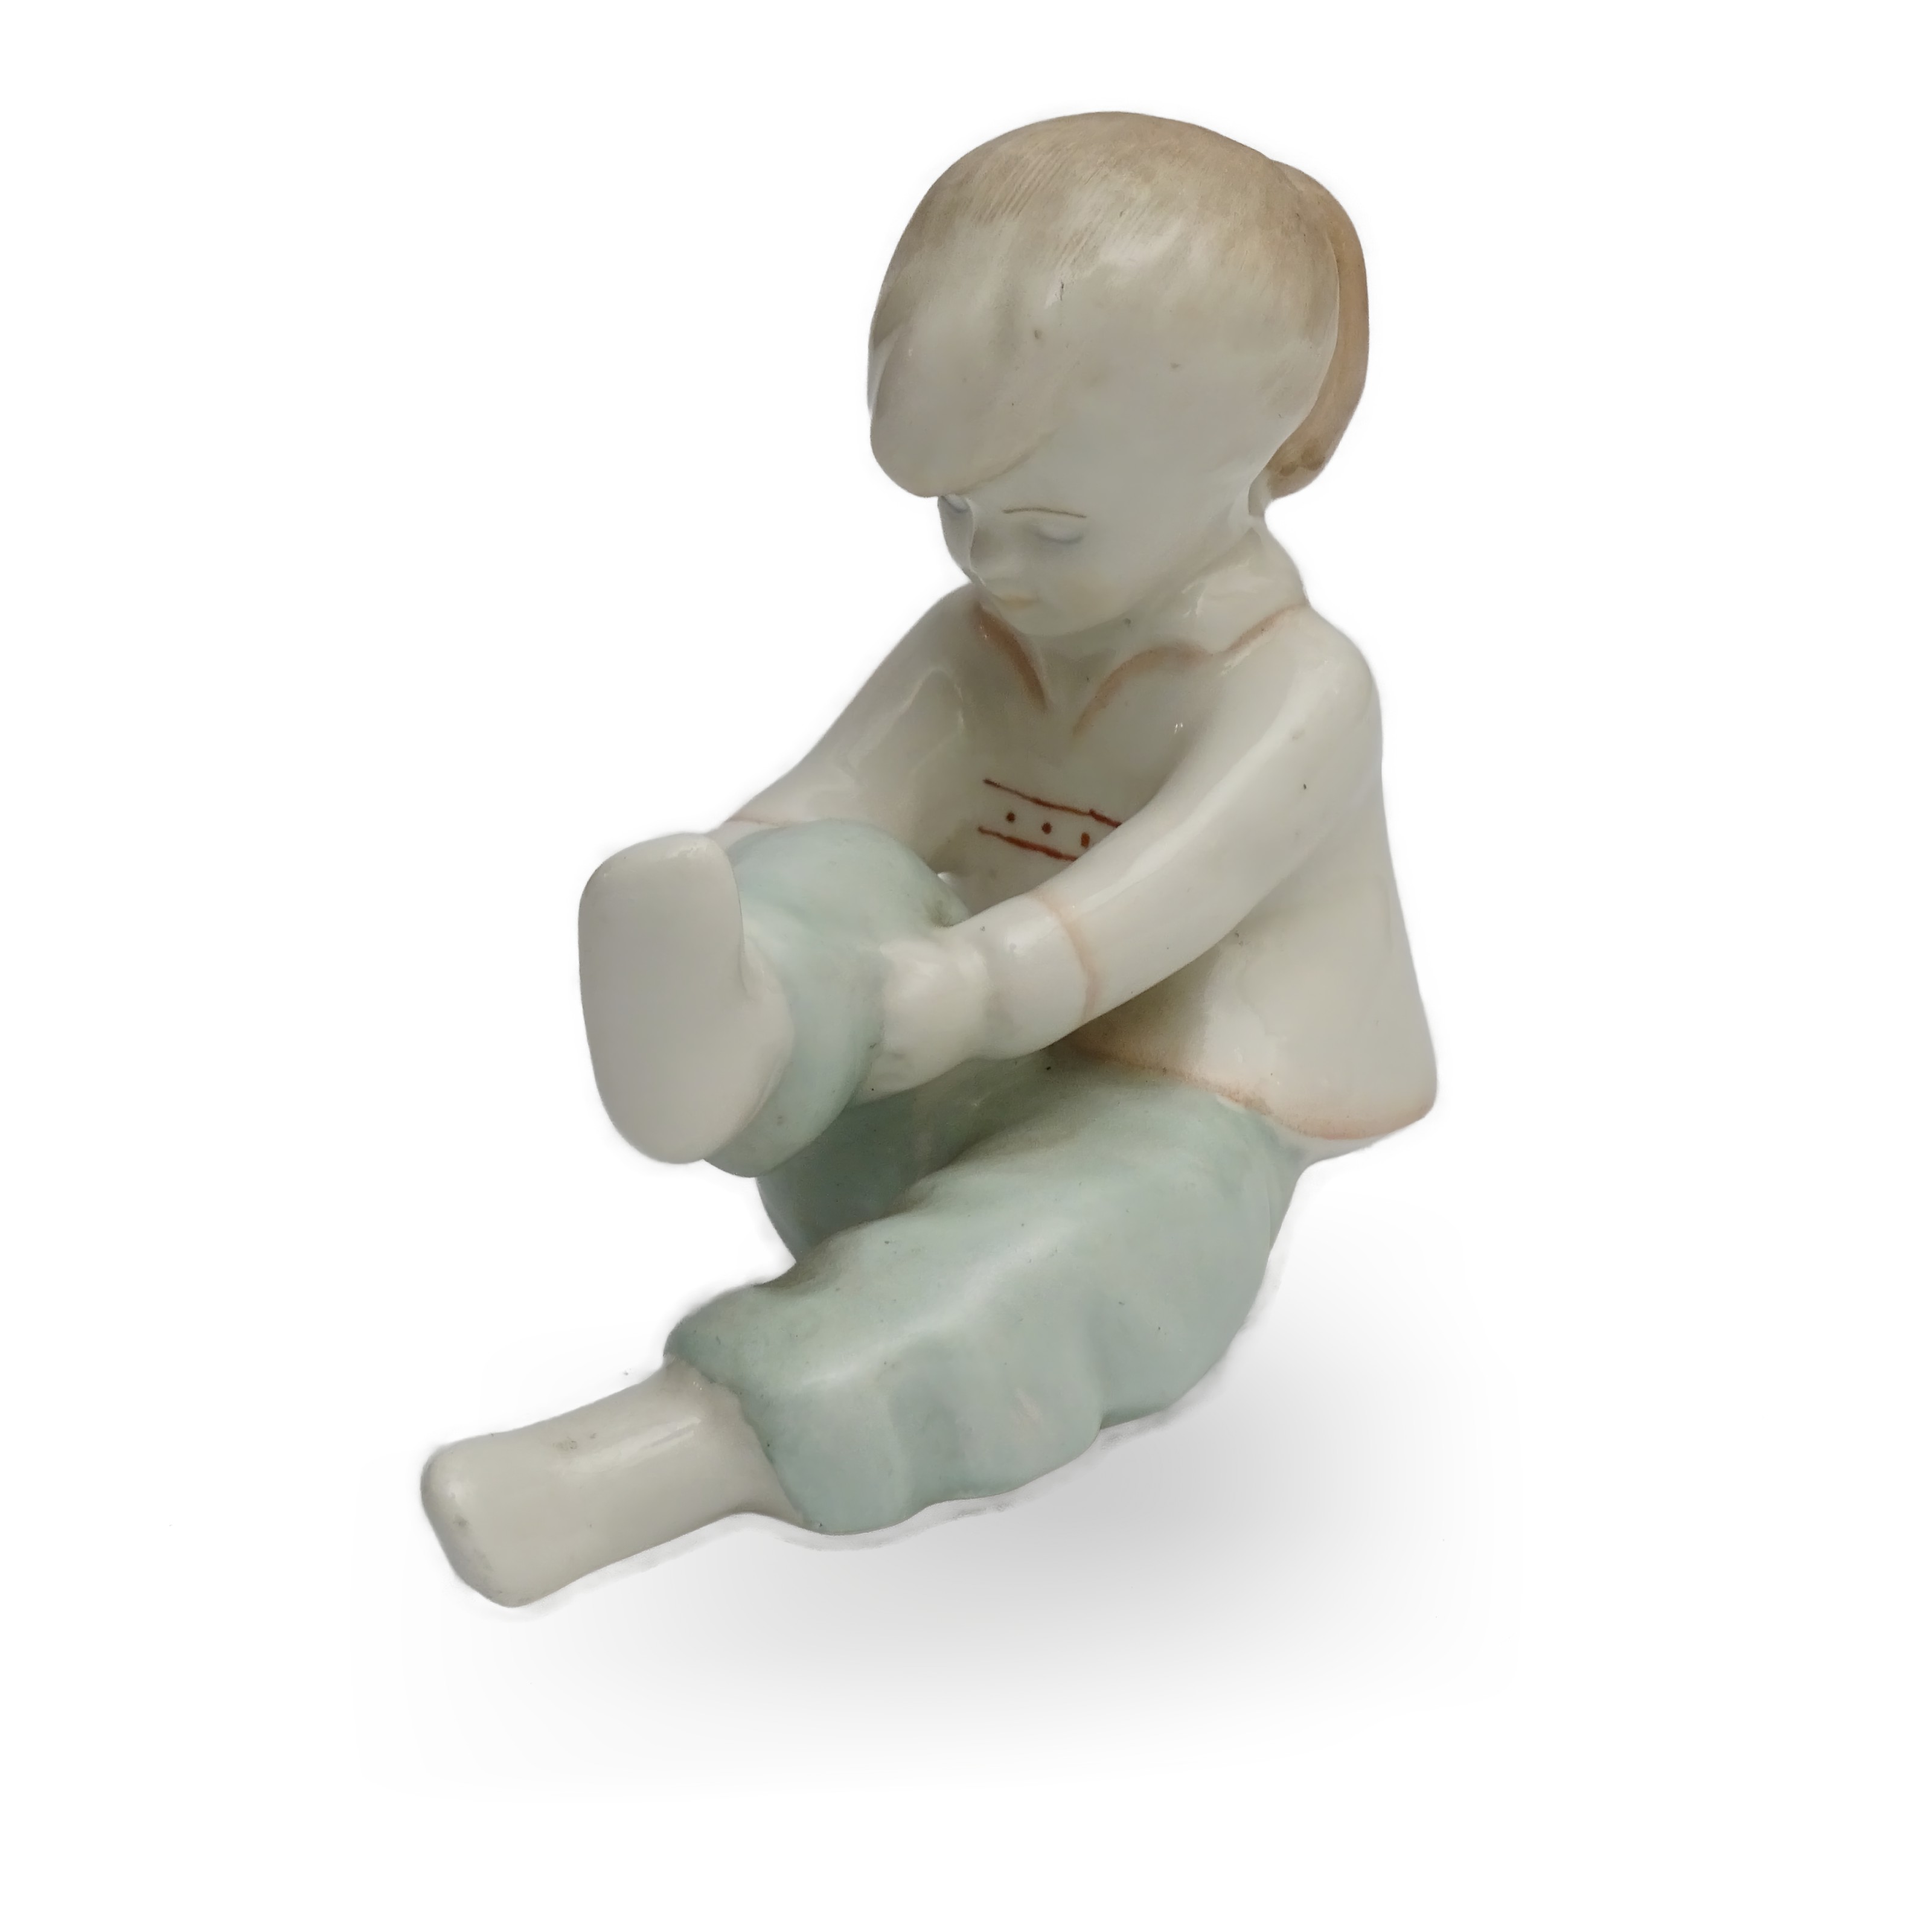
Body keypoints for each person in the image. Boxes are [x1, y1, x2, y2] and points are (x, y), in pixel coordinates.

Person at [422, 112, 1435, 1606]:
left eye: (1048, 527)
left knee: (1057, 1253)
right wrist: (747, 886)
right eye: (957, 514)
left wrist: (986, 983)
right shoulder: (980, 642)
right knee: (824, 871)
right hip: (911, 1083)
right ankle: (736, 1040)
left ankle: (676, 1450)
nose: (988, 561)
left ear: (1244, 465)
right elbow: (836, 795)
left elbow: (1168, 885)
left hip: (1180, 1105)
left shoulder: (1294, 689)